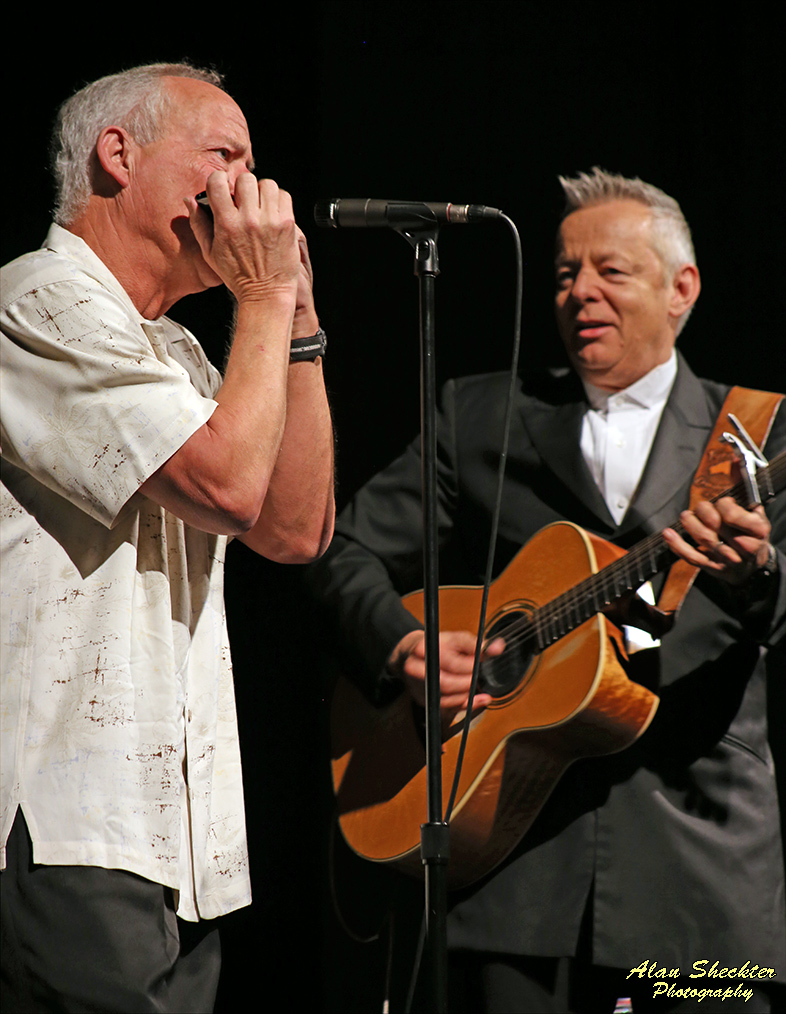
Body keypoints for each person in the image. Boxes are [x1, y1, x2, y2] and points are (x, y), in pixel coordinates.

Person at [305, 168, 785, 1013]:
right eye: (564, 274)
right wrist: (401, 644)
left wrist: (757, 576)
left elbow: (775, 609)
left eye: (611, 271)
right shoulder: (481, 416)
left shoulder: (757, 431)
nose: (580, 293)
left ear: (684, 290)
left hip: (698, 867)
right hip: (508, 865)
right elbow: (336, 547)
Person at [0, 63, 334, 1012]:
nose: (249, 194)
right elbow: (230, 484)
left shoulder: (178, 352)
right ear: (119, 155)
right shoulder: (37, 304)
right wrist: (263, 304)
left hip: (177, 847)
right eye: (225, 157)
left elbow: (294, 529)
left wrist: (297, 323)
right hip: (66, 829)